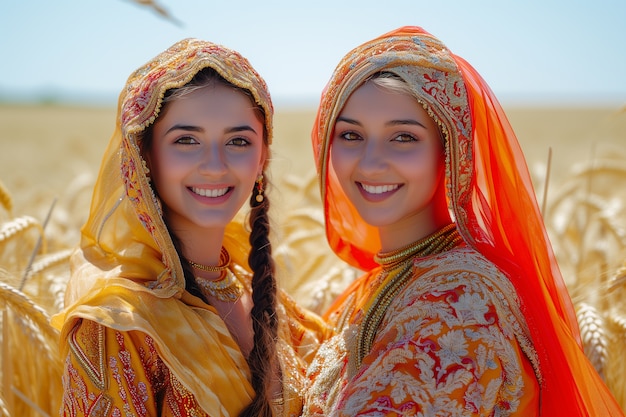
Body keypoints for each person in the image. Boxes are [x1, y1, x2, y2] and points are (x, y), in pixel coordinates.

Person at [302, 26, 624, 416]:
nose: (370, 162)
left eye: (403, 137)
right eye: (351, 135)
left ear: (451, 149)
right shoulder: (379, 283)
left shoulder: (459, 305)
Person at [51, 38, 328, 417]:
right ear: (144, 155)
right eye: (186, 140)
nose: (214, 165)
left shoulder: (269, 302)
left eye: (238, 141)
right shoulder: (120, 323)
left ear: (262, 157)